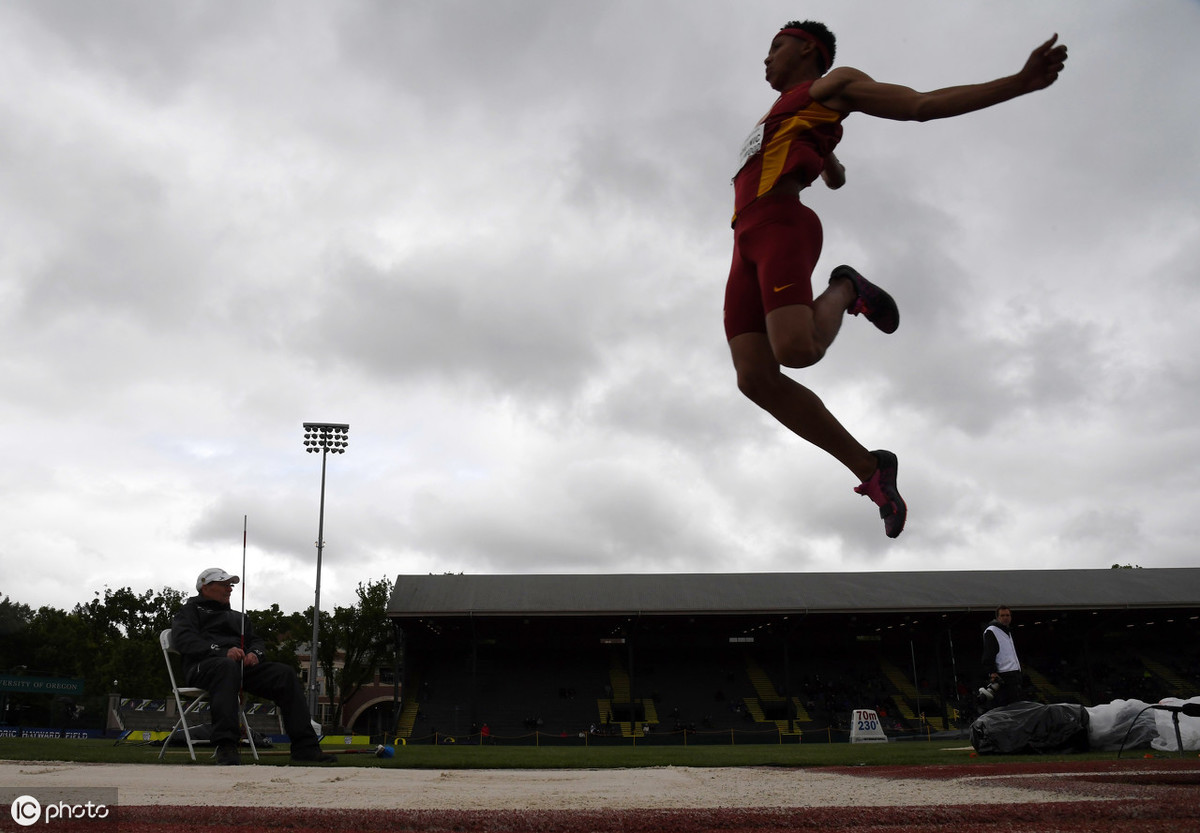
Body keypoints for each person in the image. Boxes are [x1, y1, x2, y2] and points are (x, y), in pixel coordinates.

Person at [725, 22, 1068, 537]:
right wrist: (828, 159)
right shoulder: (787, 112)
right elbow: (827, 168)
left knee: (797, 351)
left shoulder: (834, 84)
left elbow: (918, 104)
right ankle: (871, 469)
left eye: (775, 47)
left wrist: (1017, 82)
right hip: (744, 238)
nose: (765, 58)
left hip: (780, 224)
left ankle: (846, 287)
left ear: (806, 50)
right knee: (754, 378)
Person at [170, 568, 337, 765]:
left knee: (285, 674)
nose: (229, 589)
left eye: (230, 585)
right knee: (226, 666)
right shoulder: (189, 611)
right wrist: (221, 651)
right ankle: (226, 746)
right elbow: (184, 640)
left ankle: (306, 748)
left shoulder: (239, 617)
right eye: (224, 585)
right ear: (205, 587)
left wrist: (254, 654)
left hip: (239, 669)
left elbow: (256, 642)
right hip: (204, 667)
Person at [980, 605, 1023, 708]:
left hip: (1014, 673)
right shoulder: (992, 631)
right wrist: (992, 671)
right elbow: (989, 652)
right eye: (1002, 615)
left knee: (1016, 705)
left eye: (1007, 615)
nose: (1005, 617)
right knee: (1007, 706)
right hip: (1004, 674)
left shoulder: (1007, 631)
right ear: (997, 617)